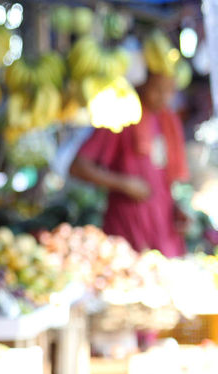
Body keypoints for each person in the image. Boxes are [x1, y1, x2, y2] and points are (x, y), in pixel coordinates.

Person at [69, 71, 190, 257]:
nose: (164, 97)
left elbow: (165, 176)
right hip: (127, 231)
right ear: (142, 84)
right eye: (157, 90)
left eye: (170, 91)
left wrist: (178, 209)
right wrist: (124, 184)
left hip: (164, 232)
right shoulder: (122, 116)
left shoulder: (168, 121)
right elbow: (78, 167)